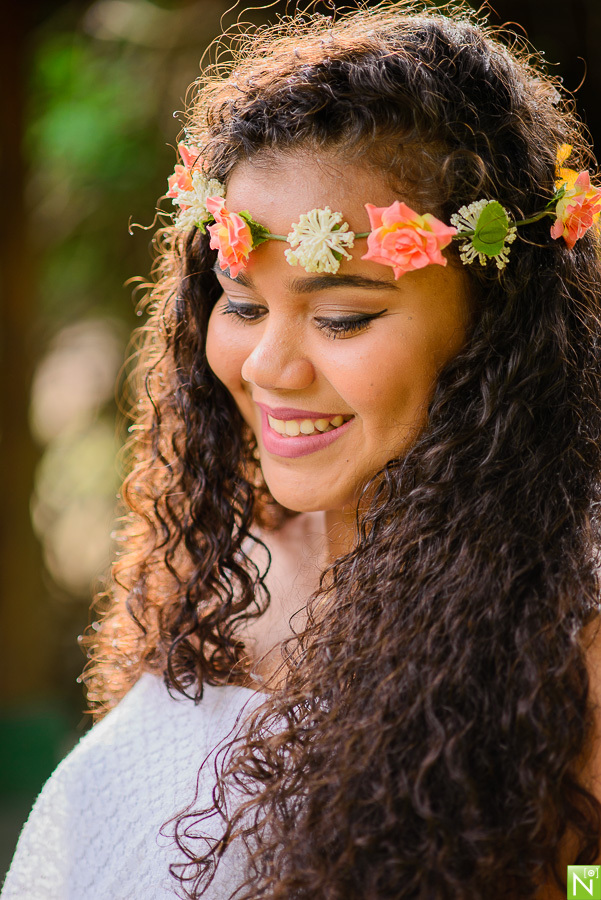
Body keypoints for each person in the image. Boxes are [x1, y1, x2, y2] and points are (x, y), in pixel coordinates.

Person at [3, 1, 601, 898]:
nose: (267, 367)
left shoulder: (573, 639)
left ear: (495, 323)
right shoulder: (225, 561)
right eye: (242, 305)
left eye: (343, 317)